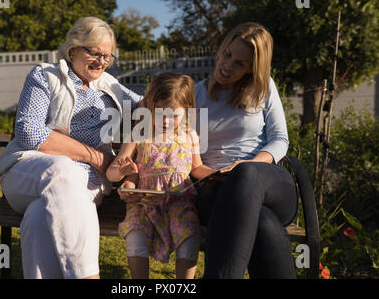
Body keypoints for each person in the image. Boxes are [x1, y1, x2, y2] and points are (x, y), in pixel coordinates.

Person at [0, 17, 142, 279]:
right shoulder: (46, 76)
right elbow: (29, 132)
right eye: (94, 52)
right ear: (73, 48)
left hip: (86, 185)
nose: (101, 61)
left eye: (107, 56)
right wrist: (96, 156)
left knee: (39, 216)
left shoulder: (111, 87)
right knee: (61, 168)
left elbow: (152, 108)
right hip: (28, 171)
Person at [194, 22, 298, 279]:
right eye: (227, 55)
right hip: (216, 192)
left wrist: (249, 165)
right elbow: (184, 148)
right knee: (263, 223)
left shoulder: (264, 89)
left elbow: (280, 139)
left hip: (269, 185)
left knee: (247, 174)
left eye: (240, 63)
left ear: (253, 67)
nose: (228, 65)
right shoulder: (195, 95)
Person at [106, 72, 216, 279]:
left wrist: (219, 174)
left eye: (173, 115)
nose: (165, 120)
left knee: (190, 238)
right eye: (158, 113)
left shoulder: (189, 134)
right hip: (143, 203)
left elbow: (196, 168)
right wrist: (123, 173)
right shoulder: (139, 134)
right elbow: (112, 174)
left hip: (179, 203)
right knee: (135, 236)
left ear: (187, 111)